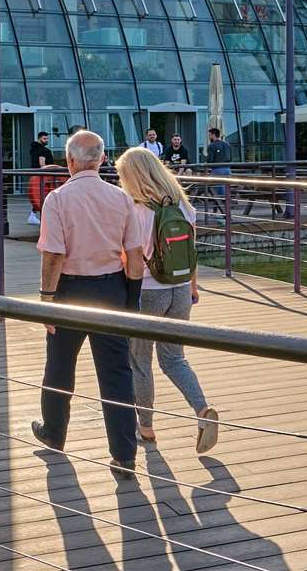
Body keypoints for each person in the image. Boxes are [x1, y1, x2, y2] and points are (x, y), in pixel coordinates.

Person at [32, 129, 146, 480]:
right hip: (112, 287)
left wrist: (47, 299)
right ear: (100, 160)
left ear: (69, 161)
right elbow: (135, 255)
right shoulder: (121, 198)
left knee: (60, 366)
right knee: (116, 373)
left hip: (68, 291)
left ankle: (54, 432)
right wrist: (131, 300)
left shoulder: (58, 200)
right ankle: (124, 454)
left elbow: (53, 255)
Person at [115, 147, 218, 452]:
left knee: (140, 361)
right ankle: (202, 410)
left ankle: (145, 428)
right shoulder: (184, 206)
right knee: (174, 358)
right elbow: (192, 251)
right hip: (181, 288)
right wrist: (193, 286)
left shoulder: (135, 209)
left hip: (149, 291)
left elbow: (130, 258)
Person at [205, 127, 231, 195]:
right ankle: (227, 203)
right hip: (228, 169)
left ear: (213, 135)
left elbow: (210, 160)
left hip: (217, 169)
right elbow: (230, 157)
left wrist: (206, 163)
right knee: (227, 188)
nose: (209, 137)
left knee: (217, 189)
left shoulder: (211, 146)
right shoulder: (227, 144)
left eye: (210, 135)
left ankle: (221, 204)